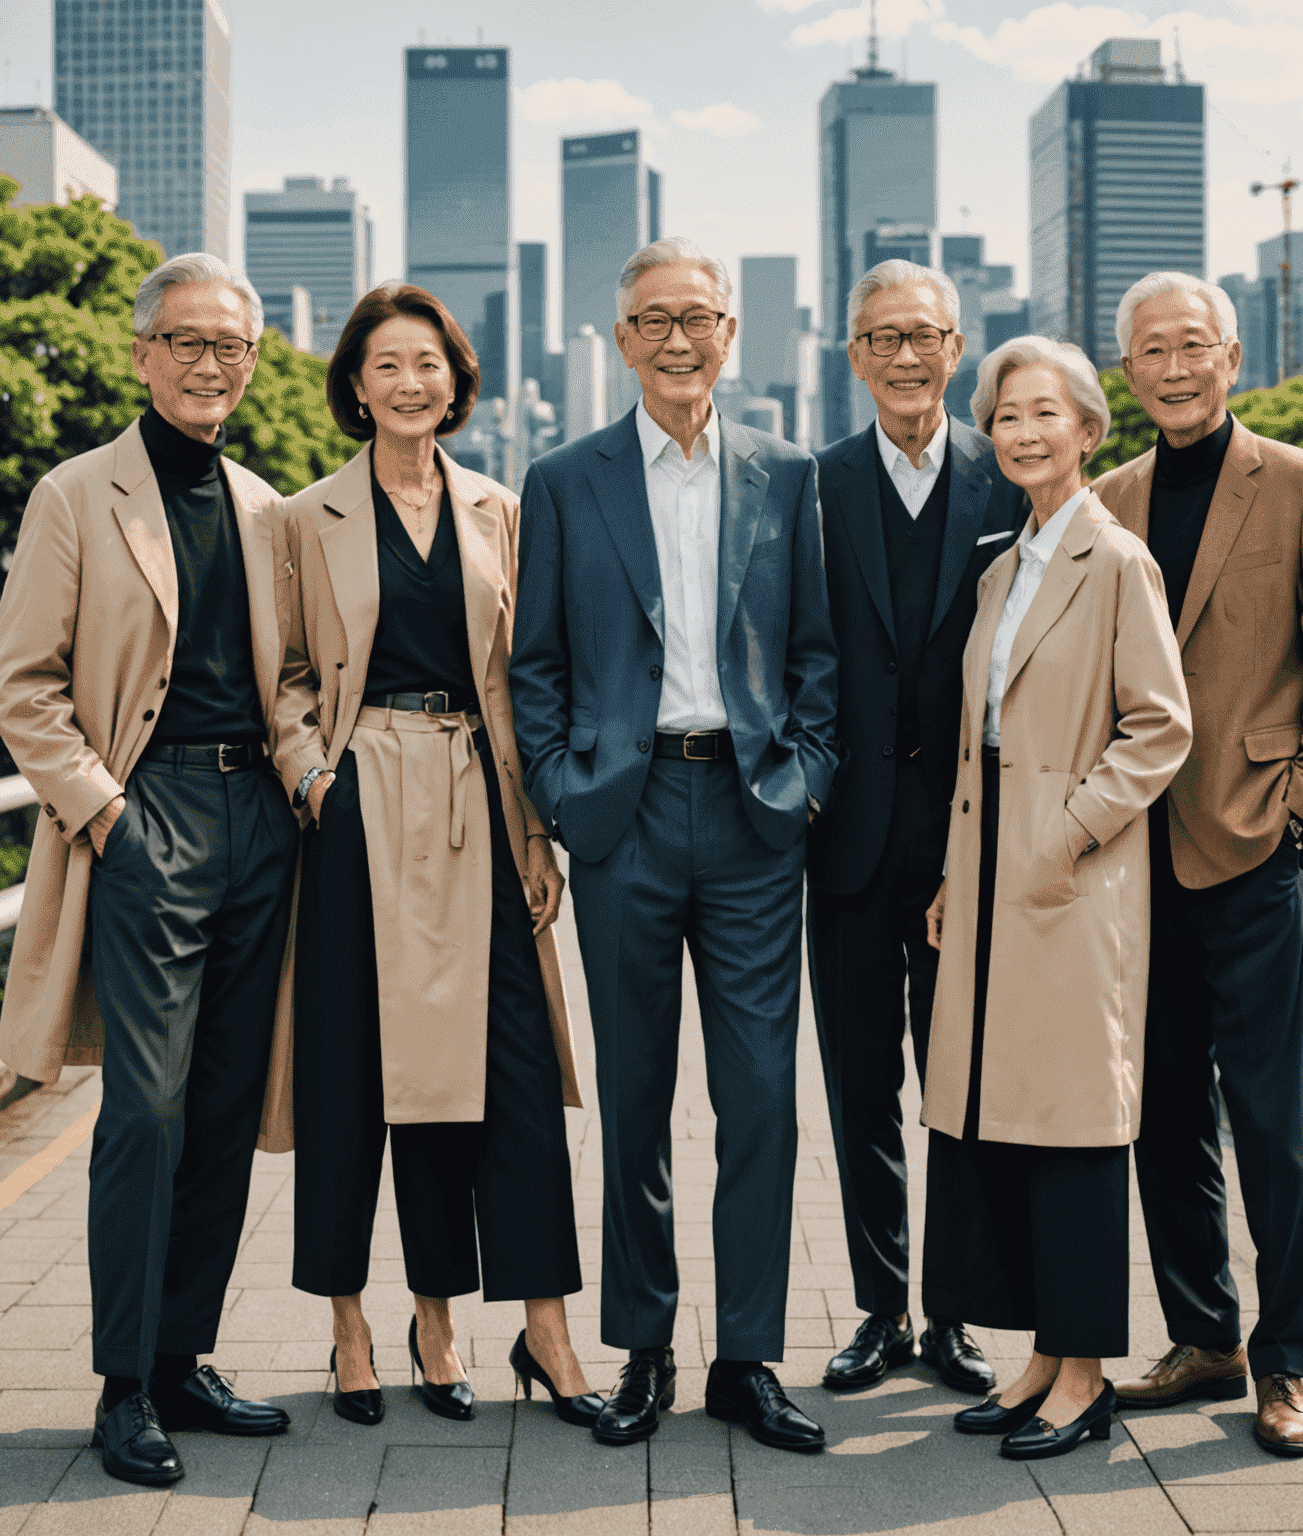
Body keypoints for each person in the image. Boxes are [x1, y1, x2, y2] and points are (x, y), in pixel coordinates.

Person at [510, 237, 840, 1454]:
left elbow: (816, 652)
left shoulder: (787, 473)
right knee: (636, 1099)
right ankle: (643, 1350)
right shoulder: (564, 478)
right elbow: (534, 662)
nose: (676, 339)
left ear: (731, 331)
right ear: (618, 339)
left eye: (697, 317)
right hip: (623, 820)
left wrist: (805, 779)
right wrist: (560, 789)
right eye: (652, 319)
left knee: (761, 1101)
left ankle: (747, 1357)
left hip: (754, 818)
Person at [0, 253, 298, 1486]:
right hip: (148, 811)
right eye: (185, 341)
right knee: (147, 1110)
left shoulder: (269, 504)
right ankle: (123, 1383)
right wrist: (109, 816)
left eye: (230, 346)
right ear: (141, 354)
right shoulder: (75, 496)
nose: (208, 363)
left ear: (253, 362)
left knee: (226, 1106)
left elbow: (286, 678)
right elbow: (26, 688)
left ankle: (185, 1359)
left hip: (259, 820)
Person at [272, 284, 600, 1433]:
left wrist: (537, 832)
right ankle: (359, 1322)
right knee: (356, 1069)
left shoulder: (500, 509)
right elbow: (290, 675)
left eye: (431, 364)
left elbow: (524, 677)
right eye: (388, 366)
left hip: (478, 797)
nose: (412, 383)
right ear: (355, 388)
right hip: (362, 799)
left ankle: (531, 1328)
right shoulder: (304, 518)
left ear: (459, 382)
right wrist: (314, 774)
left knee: (507, 1069)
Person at [1095, 273, 1303, 1457]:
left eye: (1192, 346)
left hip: (1253, 845)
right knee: (1162, 1115)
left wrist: (1300, 818)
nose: (1172, 366)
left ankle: (1289, 1365)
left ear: (1232, 356)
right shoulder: (1108, 500)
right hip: (1134, 859)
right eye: (1150, 350)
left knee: (1271, 1121)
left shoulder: (1302, 484)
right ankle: (1203, 1333)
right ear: (1128, 372)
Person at [920, 335, 1192, 1460]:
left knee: (1075, 1127)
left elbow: (1162, 723)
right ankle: (1040, 1357)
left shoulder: (1116, 559)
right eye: (1006, 417)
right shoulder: (1001, 564)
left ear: (1089, 428)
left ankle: (1085, 1378)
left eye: (1046, 414)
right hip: (987, 881)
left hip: (1070, 881)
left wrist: (1071, 827)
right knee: (1000, 1121)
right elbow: (973, 743)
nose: (1024, 433)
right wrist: (950, 870)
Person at [808, 259, 1025, 1397]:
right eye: (882, 337)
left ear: (959, 346)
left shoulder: (1008, 481)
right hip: (842, 841)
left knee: (961, 1086)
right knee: (859, 1087)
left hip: (967, 845)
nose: (904, 355)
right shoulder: (811, 482)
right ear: (853, 355)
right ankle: (880, 1306)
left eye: (925, 336)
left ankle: (955, 1315)